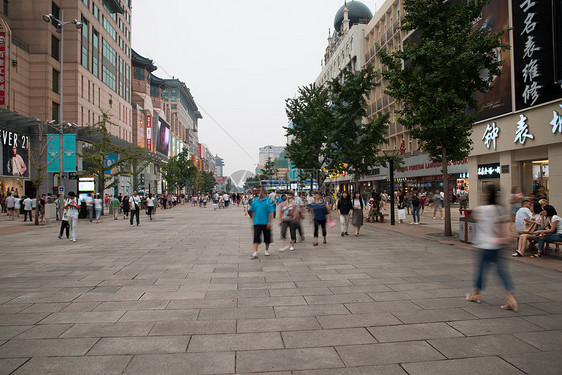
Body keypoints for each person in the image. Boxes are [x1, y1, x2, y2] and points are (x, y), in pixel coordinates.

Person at [466, 185, 517, 312]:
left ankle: (476, 294)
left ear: (487, 195)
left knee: (480, 271)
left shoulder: (481, 209)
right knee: (502, 272)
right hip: (498, 245)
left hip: (484, 245)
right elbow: (502, 226)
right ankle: (511, 299)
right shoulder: (499, 209)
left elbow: (473, 217)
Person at [248, 186, 276, 259]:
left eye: (261, 191)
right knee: (256, 237)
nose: (260, 192)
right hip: (257, 222)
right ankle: (255, 251)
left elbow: (271, 212)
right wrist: (252, 221)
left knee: (267, 238)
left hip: (266, 222)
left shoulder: (268, 201)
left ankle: (266, 250)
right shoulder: (254, 201)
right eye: (259, 191)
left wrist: (270, 222)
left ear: (264, 192)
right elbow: (252, 211)